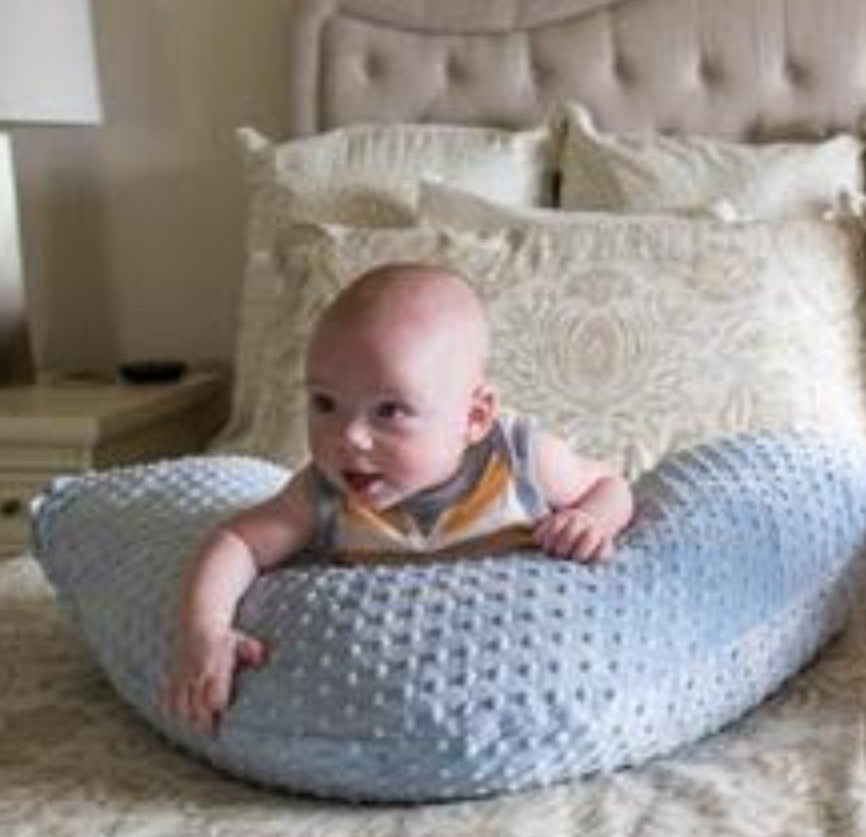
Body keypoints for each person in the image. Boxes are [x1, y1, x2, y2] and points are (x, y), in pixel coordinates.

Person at [167, 262, 633, 732]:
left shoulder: (520, 460)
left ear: (475, 416)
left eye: (389, 411)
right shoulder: (324, 492)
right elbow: (238, 542)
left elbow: (610, 485)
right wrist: (205, 630)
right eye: (325, 403)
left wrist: (593, 519)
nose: (349, 437)